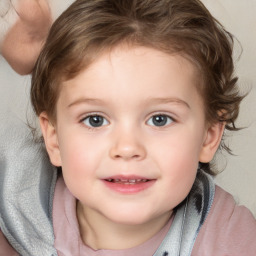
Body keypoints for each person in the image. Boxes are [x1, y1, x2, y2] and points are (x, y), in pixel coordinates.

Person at [1, 0, 256, 255]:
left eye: (159, 119)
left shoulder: (230, 238)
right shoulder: (16, 196)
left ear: (208, 137)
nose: (127, 148)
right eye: (95, 120)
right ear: (54, 139)